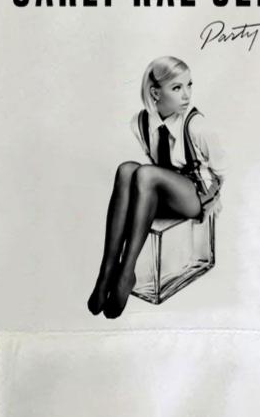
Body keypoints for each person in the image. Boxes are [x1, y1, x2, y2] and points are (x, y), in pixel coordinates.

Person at [87, 55, 226, 318]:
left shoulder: (196, 124)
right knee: (126, 169)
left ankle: (126, 272)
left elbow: (220, 173)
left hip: (194, 195)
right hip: (164, 190)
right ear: (155, 93)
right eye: (177, 87)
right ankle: (107, 271)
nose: (186, 95)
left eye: (189, 85)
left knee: (146, 174)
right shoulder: (140, 123)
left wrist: (211, 204)